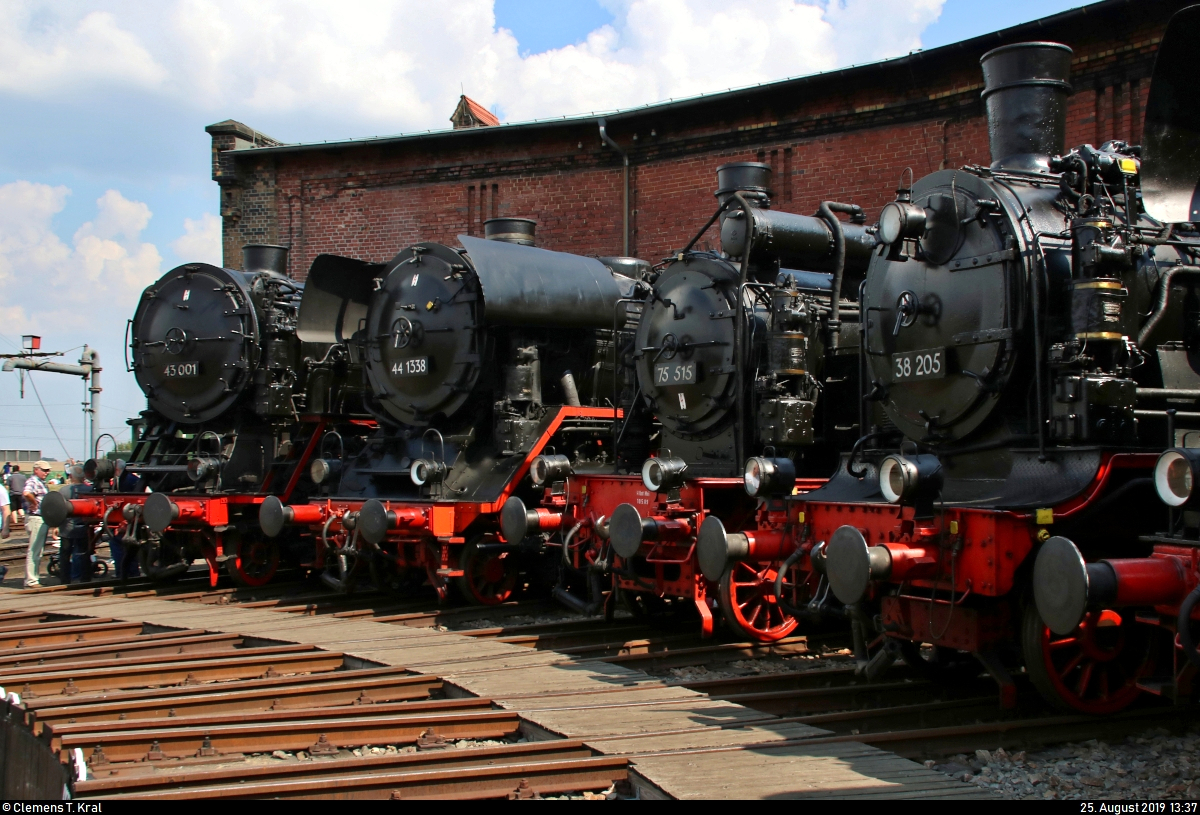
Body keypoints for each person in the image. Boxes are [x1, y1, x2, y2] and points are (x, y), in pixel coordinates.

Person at [58, 466, 93, 584]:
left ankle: (65, 579)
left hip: (66, 528)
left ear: (71, 476)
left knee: (64, 554)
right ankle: (85, 578)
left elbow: (59, 510)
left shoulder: (63, 491)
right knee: (84, 553)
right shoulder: (90, 490)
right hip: (83, 526)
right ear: (84, 477)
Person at [21, 460, 50, 588]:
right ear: (36, 470)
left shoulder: (40, 482)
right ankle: (31, 580)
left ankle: (34, 578)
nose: (47, 472)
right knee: (34, 550)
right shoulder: (33, 481)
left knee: (37, 550)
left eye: (48, 470)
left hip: (40, 518)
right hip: (36, 518)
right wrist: (34, 502)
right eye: (44, 470)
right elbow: (26, 493)